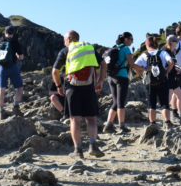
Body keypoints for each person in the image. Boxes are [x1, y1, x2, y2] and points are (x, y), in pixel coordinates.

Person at [52, 30, 106, 159]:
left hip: (73, 88)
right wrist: (100, 81)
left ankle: (78, 150)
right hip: (89, 87)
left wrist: (59, 86)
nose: (64, 42)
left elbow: (55, 71)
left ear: (69, 39)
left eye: (65, 40)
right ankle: (93, 146)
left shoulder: (66, 50)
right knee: (91, 119)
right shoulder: (89, 47)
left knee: (74, 119)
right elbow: (103, 64)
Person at [104, 32, 144, 134]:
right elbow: (132, 65)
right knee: (121, 102)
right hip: (121, 77)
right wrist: (145, 68)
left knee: (115, 102)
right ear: (126, 39)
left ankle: (108, 125)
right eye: (131, 39)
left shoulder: (114, 48)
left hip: (110, 77)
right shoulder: (126, 49)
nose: (132, 41)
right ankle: (122, 126)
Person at [135, 35, 174, 128]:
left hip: (148, 81)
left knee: (151, 104)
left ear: (147, 45)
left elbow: (134, 66)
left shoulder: (144, 55)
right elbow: (171, 62)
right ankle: (167, 122)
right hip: (162, 80)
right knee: (164, 103)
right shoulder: (163, 53)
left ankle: (153, 124)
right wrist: (166, 72)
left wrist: (142, 75)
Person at [0, 26, 25, 120]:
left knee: (1, 90)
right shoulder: (15, 42)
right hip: (12, 67)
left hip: (2, 68)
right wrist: (15, 54)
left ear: (5, 32)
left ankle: (1, 112)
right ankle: (16, 108)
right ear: (13, 33)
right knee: (19, 88)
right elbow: (21, 57)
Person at [48, 38, 70, 122]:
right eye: (65, 74)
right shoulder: (59, 79)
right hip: (62, 98)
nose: (66, 75)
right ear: (62, 73)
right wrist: (60, 91)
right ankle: (65, 113)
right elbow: (50, 93)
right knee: (53, 97)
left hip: (72, 98)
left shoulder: (72, 79)